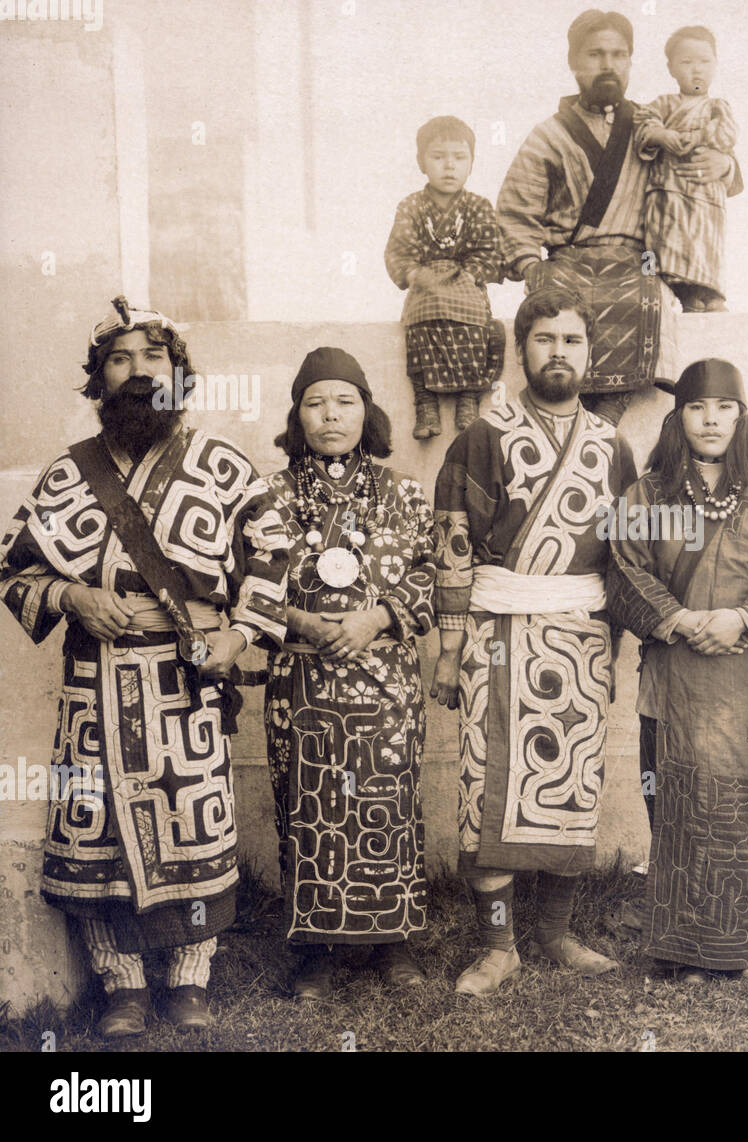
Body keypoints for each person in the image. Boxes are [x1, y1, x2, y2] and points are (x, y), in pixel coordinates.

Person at [0, 297, 289, 1037]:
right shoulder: (69, 475)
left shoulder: (222, 466)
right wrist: (71, 594)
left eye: (151, 358)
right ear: (98, 382)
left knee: (191, 818)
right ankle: (122, 985)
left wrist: (241, 633)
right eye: (118, 361)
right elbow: (14, 570)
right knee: (96, 831)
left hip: (184, 679)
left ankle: (189, 981)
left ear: (179, 374)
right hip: (94, 681)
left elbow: (275, 550)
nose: (136, 373)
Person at [431, 287, 637, 997]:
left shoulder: (612, 448)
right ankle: (497, 946)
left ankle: (555, 934)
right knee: (487, 790)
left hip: (579, 638)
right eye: (545, 338)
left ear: (591, 352)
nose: (559, 352)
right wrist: (450, 649)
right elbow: (454, 546)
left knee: (569, 786)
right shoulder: (482, 437)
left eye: (572, 340)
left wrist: (614, 639)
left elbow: (629, 556)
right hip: (498, 633)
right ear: (522, 349)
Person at [607, 359, 748, 981]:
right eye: (698, 407)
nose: (711, 419)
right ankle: (686, 949)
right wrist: (677, 618)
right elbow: (624, 572)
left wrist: (742, 619)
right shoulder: (646, 497)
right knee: (679, 810)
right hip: (674, 679)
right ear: (679, 418)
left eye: (724, 408)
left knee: (740, 813)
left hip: (745, 680)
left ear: (741, 417)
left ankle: (738, 948)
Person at [262, 347, 438, 999]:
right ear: (297, 415)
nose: (330, 415)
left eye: (345, 400)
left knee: (387, 803)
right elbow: (245, 585)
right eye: (315, 402)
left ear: (367, 411)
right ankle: (314, 951)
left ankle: (392, 947)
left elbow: (431, 573)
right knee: (308, 806)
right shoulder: (271, 497)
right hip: (301, 684)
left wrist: (379, 617)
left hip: (386, 681)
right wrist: (302, 622)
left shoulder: (404, 494)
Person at [496, 8, 742, 426]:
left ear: (630, 62)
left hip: (641, 254)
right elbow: (516, 209)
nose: (608, 65)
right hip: (567, 256)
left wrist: (727, 166)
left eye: (618, 55)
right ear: (574, 62)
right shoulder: (548, 135)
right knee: (555, 311)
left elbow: (700, 156)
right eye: (595, 55)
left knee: (652, 292)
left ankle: (609, 413)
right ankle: (563, 411)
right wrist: (528, 263)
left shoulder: (652, 122)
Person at [385, 115, 507, 439]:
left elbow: (490, 249)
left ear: (471, 163)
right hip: (426, 285)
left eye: (459, 157)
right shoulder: (410, 206)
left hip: (466, 282)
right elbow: (400, 249)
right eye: (438, 157)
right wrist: (414, 274)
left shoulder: (479, 207)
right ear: (421, 162)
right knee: (420, 328)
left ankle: (469, 399)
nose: (449, 166)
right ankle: (426, 404)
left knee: (479, 331)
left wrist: (470, 275)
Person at [634, 26, 738, 313]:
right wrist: (662, 136)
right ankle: (684, 291)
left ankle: (710, 291)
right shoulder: (663, 104)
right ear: (671, 68)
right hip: (669, 192)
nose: (696, 70)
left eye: (704, 62)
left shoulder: (718, 107)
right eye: (687, 62)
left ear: (716, 64)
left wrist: (698, 139)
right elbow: (643, 127)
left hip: (706, 196)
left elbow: (727, 136)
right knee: (666, 243)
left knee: (705, 243)